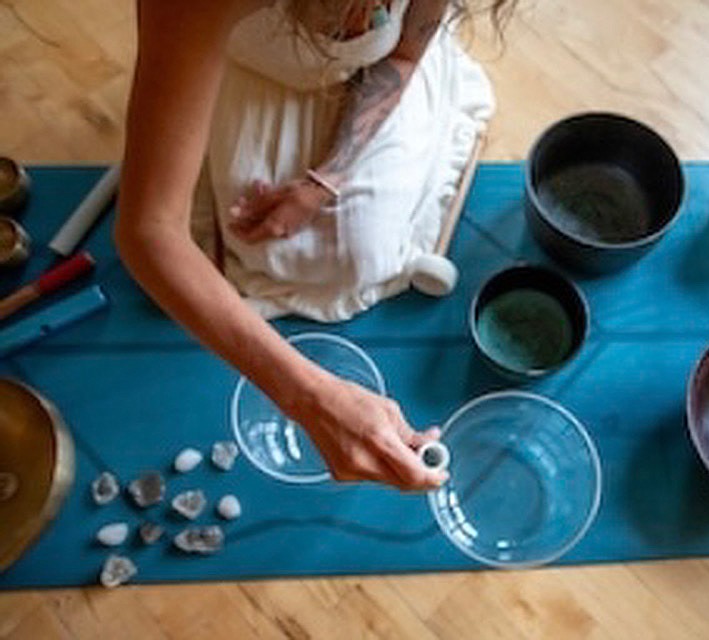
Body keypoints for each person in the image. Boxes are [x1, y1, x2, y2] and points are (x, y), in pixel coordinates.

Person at [115, 0, 511, 491]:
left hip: (371, 70)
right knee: (267, 249)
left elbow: (405, 57)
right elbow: (149, 229)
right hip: (247, 60)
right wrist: (311, 397)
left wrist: (324, 180)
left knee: (360, 256)